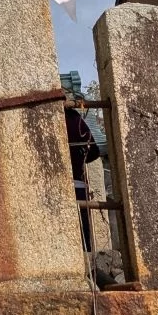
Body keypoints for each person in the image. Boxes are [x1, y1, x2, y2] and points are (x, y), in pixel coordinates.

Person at [65, 104, 100, 252]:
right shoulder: (74, 118)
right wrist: (78, 158)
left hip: (49, 189)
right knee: (83, 241)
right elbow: (94, 151)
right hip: (77, 184)